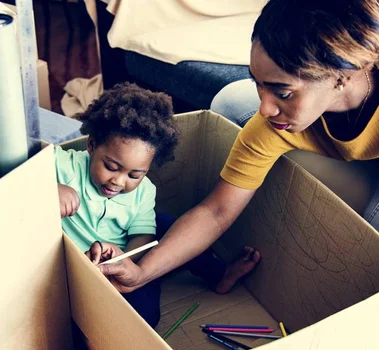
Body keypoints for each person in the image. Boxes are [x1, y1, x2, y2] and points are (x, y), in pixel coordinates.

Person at [99, 0, 379, 350]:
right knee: (230, 106)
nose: (264, 108)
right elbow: (216, 210)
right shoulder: (270, 122)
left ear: (341, 77)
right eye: (257, 83)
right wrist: (141, 273)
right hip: (342, 136)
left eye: (282, 92)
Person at [55, 83, 260, 328]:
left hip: (122, 261)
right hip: (73, 268)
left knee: (148, 312)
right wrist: (49, 189)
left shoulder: (145, 191)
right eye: (111, 167)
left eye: (135, 175)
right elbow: (18, 176)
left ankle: (218, 274)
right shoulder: (64, 166)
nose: (118, 181)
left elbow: (143, 235)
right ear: (91, 145)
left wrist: (128, 260)